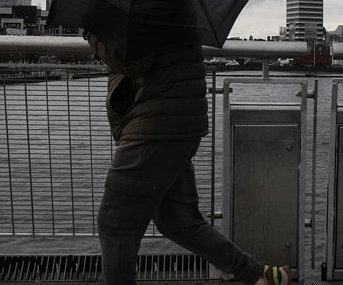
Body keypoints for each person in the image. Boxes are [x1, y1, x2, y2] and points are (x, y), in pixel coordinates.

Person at [86, 31, 291, 285]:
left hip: (155, 126)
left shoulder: (145, 2)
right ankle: (259, 275)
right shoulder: (168, 0)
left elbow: (133, 61)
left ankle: (256, 273)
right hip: (174, 121)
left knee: (115, 224)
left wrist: (95, 36)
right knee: (178, 220)